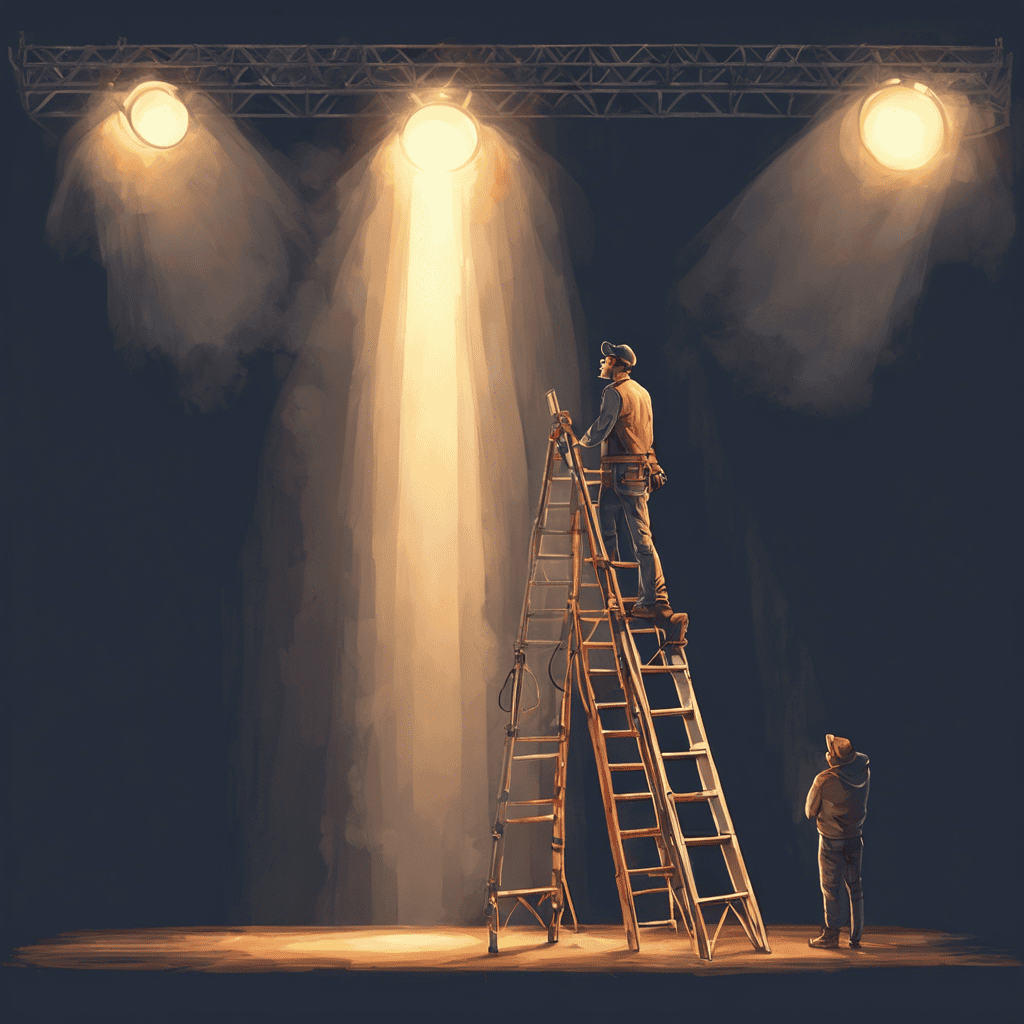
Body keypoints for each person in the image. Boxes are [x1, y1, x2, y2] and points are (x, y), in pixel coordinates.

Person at [566, 341, 671, 619]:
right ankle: (635, 596)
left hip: (620, 472)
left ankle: (651, 599)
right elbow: (645, 432)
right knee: (627, 534)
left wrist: (578, 444)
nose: (602, 363)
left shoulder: (614, 392)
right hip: (634, 471)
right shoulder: (643, 392)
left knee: (625, 537)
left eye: (607, 359)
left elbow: (603, 425)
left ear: (618, 364)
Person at [804, 734, 871, 949]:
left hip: (831, 841)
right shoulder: (864, 771)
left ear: (833, 759)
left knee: (830, 890)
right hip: (855, 837)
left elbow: (809, 811)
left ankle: (831, 936)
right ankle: (856, 936)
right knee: (856, 887)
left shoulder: (823, 780)